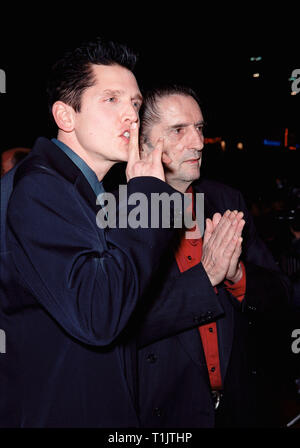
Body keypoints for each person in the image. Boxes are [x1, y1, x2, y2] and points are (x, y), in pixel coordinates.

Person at [0, 38, 223, 428]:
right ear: (66, 116)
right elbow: (99, 314)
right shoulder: (41, 187)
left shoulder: (84, 193)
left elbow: (126, 312)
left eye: (135, 104)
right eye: (111, 100)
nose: (131, 116)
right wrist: (149, 195)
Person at [136, 84, 291, 427]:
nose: (196, 142)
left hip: (240, 405)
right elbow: (120, 325)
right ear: (142, 142)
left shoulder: (225, 200)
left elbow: (281, 294)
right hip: (164, 414)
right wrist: (205, 277)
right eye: (178, 130)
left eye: (200, 129)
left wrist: (237, 276)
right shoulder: (118, 213)